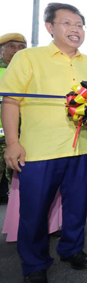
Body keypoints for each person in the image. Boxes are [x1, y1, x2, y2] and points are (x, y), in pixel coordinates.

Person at [0, 3, 87, 282]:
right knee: (34, 210)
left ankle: (71, 249)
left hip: (83, 148)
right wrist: (12, 142)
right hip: (39, 150)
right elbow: (10, 101)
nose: (75, 29)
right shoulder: (28, 58)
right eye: (67, 23)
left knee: (78, 206)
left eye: (79, 25)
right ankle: (34, 263)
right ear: (49, 27)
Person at [0, 33, 27, 204]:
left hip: (18, 138)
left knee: (18, 188)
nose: (17, 51)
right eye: (11, 46)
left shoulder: (27, 72)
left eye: (21, 47)